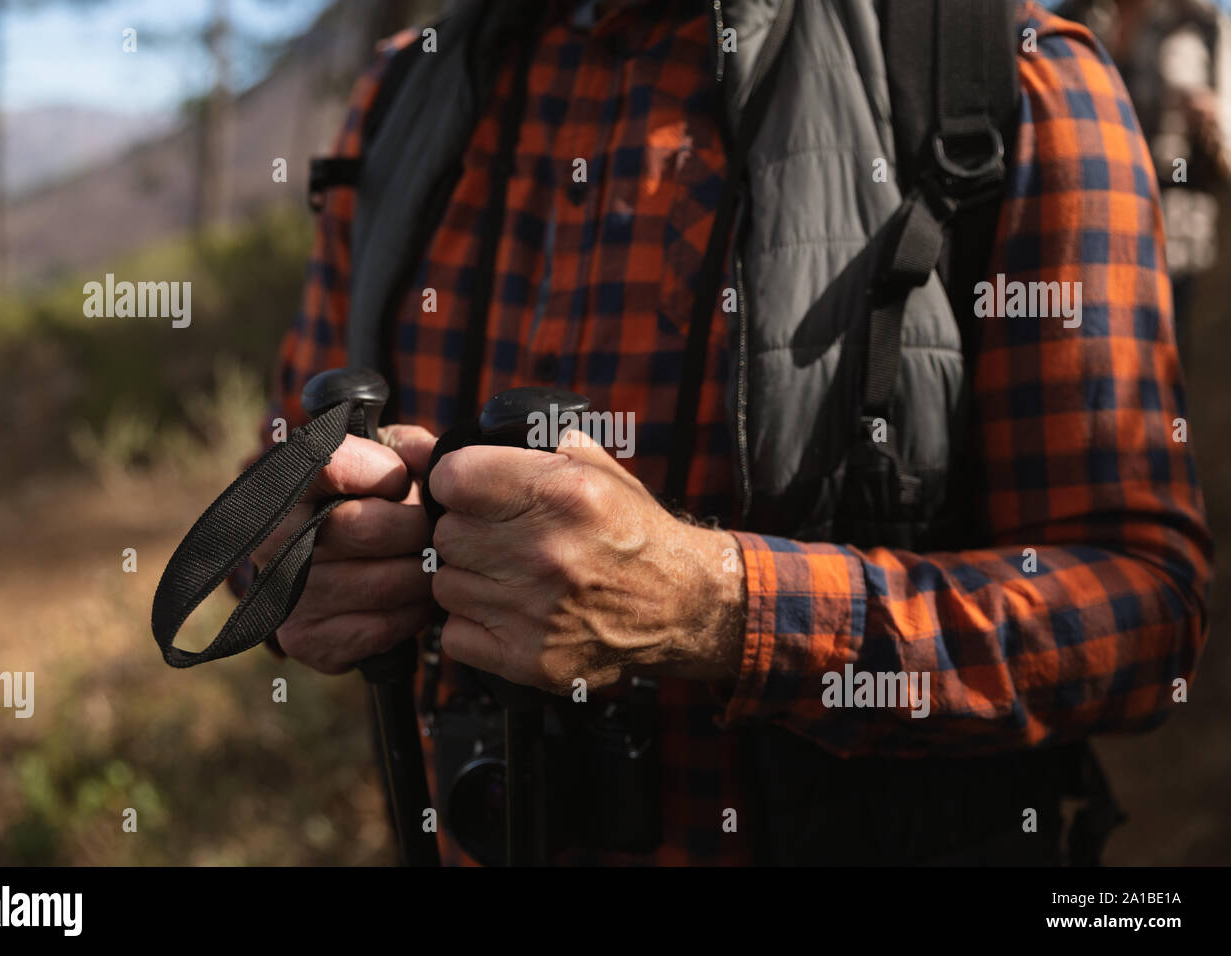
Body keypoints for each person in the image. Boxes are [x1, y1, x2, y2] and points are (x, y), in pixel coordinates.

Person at [242, 0, 1212, 865]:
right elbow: (277, 491)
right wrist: (294, 558)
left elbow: (1141, 612)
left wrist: (722, 610)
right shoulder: (408, 93)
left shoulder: (1007, 79)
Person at [1061, 0, 1231, 354]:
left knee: (1171, 344)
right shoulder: (1079, 18)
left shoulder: (1205, 27)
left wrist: (1212, 121)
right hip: (1096, 219)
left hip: (1181, 223)